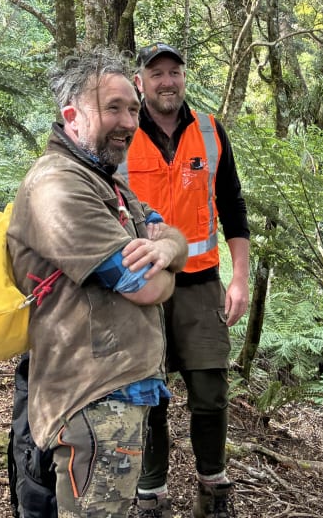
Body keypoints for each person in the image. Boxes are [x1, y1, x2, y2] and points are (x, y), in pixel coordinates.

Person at [6, 48, 188, 518]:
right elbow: (144, 288)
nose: (129, 121)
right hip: (91, 398)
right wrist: (166, 270)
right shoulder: (58, 185)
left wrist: (166, 251)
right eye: (113, 108)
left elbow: (171, 236)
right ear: (72, 115)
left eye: (132, 108)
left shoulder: (108, 182)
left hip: (117, 392)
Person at [126, 43, 250, 518]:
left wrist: (239, 279)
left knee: (210, 389)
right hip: (139, 285)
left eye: (174, 72)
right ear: (141, 81)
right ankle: (151, 493)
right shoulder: (121, 130)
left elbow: (233, 205)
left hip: (201, 283)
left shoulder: (209, 131)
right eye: (156, 73)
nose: (166, 81)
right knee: (147, 390)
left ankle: (213, 488)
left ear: (184, 78)